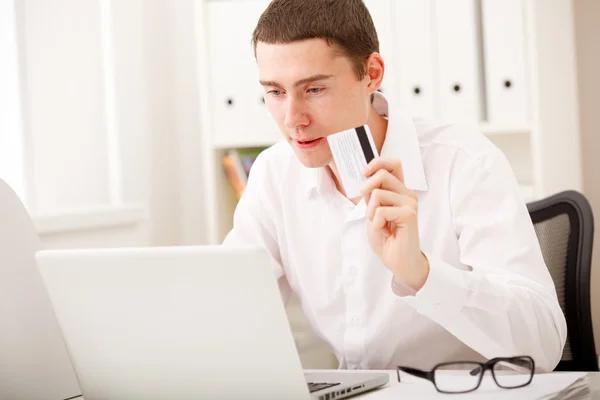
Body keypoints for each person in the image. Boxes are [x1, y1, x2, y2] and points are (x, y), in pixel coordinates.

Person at [223, 0, 566, 372]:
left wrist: (420, 273)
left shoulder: (465, 163)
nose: (293, 120)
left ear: (371, 73)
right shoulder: (274, 174)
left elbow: (543, 345)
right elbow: (230, 311)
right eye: (275, 93)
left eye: (315, 90)